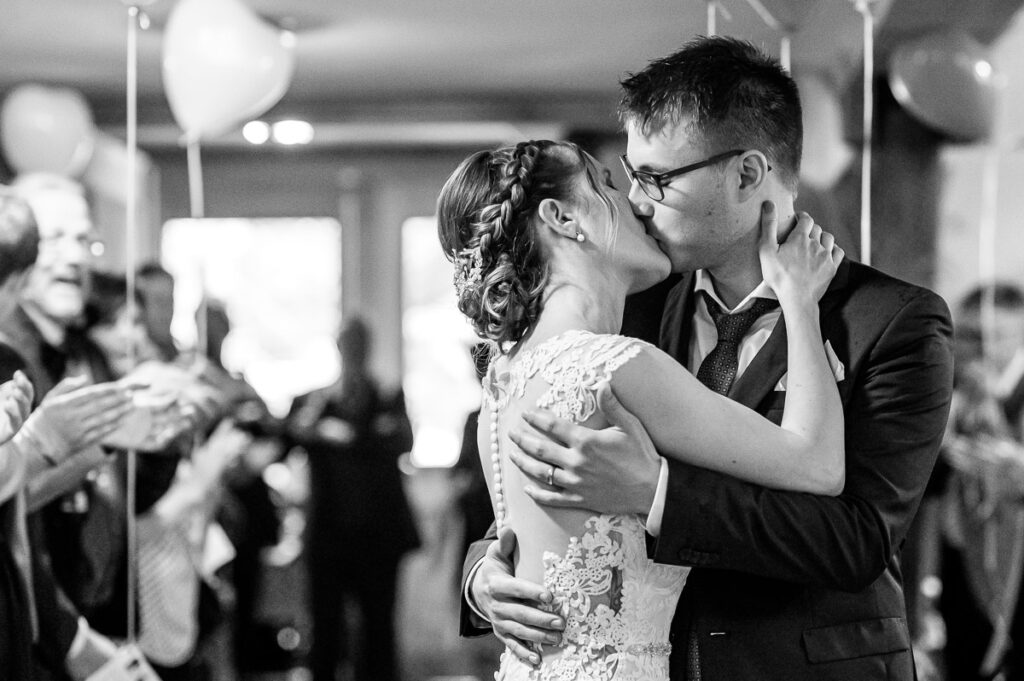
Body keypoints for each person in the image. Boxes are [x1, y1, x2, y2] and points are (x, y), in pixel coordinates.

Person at [460, 36, 954, 681]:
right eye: (629, 177)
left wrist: (656, 494)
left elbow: (856, 541)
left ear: (747, 174)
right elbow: (511, 473)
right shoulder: (622, 313)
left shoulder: (892, 321)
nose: (636, 201)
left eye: (655, 179)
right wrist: (485, 577)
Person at [3, 174, 188, 681]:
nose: (76, 257)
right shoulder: (9, 359)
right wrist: (74, 643)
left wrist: (162, 432)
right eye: (54, 238)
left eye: (85, 240)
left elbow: (128, 492)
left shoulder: (78, 354)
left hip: (99, 616)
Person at [285, 316, 419, 681]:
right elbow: (289, 436)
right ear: (339, 347)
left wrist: (348, 436)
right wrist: (320, 425)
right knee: (325, 629)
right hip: (329, 535)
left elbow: (403, 442)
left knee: (378, 630)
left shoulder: (387, 397)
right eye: (349, 344)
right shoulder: (317, 402)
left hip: (379, 537)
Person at [937, 283, 1024, 681]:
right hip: (960, 546)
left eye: (999, 335)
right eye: (972, 336)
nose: (985, 347)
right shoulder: (946, 385)